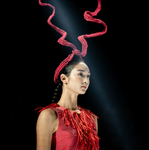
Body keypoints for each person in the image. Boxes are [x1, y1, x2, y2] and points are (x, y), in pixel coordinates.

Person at [36, 0, 107, 149]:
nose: (86, 80)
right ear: (64, 78)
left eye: (88, 76)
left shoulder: (92, 118)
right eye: (81, 74)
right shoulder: (49, 115)